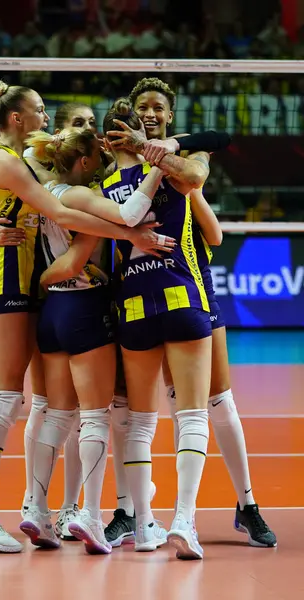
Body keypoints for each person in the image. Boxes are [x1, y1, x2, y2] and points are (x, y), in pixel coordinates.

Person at [0, 81, 170, 554]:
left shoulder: (32, 163)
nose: (46, 119)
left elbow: (39, 197)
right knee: (15, 397)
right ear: (19, 120)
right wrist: (131, 235)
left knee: (46, 408)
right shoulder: (12, 161)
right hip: (19, 280)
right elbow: (61, 210)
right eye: (41, 112)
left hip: (39, 287)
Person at [106, 76, 276, 549]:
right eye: (143, 106)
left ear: (170, 115)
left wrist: (160, 150)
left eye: (159, 107)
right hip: (137, 296)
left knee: (216, 404)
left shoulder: (185, 163)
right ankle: (128, 510)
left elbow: (206, 206)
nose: (150, 113)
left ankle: (246, 504)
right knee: (130, 409)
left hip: (193, 290)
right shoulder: (116, 165)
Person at [20, 125, 175, 554]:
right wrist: (157, 166)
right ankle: (89, 513)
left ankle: (35, 507)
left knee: (56, 415)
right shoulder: (78, 193)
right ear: (85, 162)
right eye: (98, 158)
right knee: (94, 417)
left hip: (53, 311)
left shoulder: (45, 190)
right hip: (84, 308)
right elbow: (128, 217)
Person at [101, 97, 212, 557]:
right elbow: (197, 176)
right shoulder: (176, 166)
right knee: (191, 415)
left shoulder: (101, 184)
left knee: (139, 424)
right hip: (180, 293)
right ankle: (184, 518)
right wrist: (160, 151)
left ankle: (143, 524)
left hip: (131, 304)